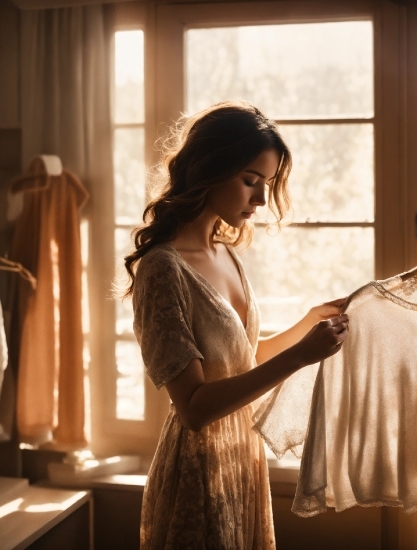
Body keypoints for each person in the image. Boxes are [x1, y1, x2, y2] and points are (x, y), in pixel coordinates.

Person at [123, 100, 349, 549]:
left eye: (267, 184)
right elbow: (195, 406)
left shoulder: (224, 251)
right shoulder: (162, 269)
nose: (262, 200)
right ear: (208, 169)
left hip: (242, 459)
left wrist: (307, 325)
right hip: (198, 469)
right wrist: (300, 357)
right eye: (250, 181)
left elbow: (240, 360)